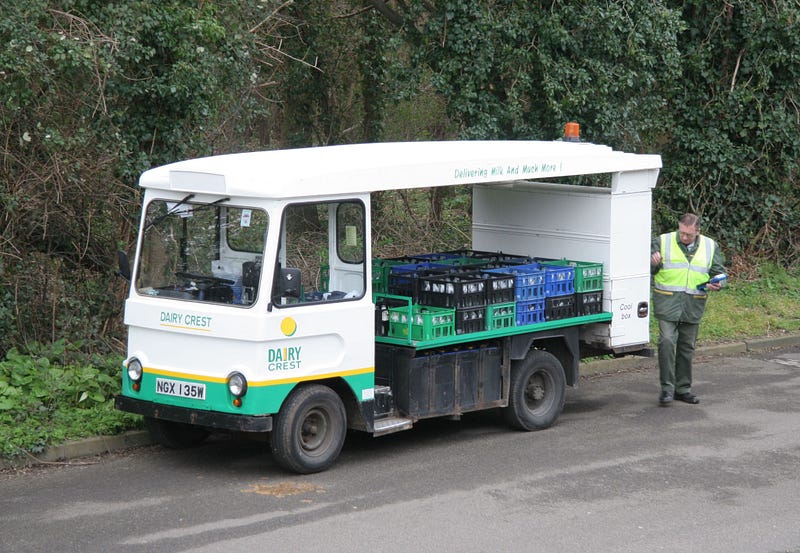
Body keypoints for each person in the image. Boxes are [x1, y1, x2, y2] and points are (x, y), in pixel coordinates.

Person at [650, 213, 726, 406]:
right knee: (666, 342)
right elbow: (647, 269)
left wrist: (718, 283)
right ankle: (667, 389)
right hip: (667, 302)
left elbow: (719, 272)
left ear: (698, 232)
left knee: (686, 347)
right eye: (682, 232)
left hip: (694, 304)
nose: (684, 237)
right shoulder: (662, 241)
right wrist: (653, 263)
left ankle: (683, 389)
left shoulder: (710, 246)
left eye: (688, 235)